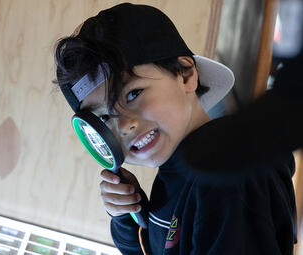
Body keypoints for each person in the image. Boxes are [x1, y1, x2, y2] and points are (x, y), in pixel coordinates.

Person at [53, 3, 296, 255]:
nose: (124, 125)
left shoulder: (227, 174)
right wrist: (126, 217)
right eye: (103, 118)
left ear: (186, 75)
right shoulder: (178, 172)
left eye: (133, 93)